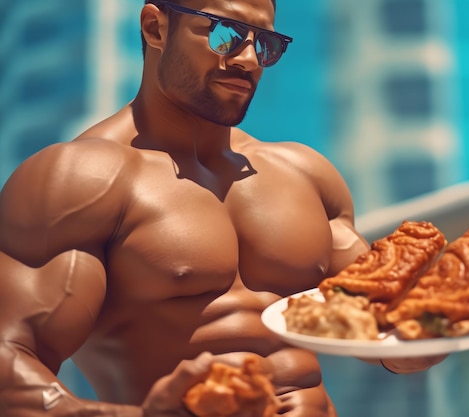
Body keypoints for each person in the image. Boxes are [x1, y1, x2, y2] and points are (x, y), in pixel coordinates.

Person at [0, 0, 445, 416]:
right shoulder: (82, 178)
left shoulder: (305, 174)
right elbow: (9, 362)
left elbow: (396, 347)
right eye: (224, 34)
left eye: (264, 43)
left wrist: (435, 323)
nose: (248, 59)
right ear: (156, 28)